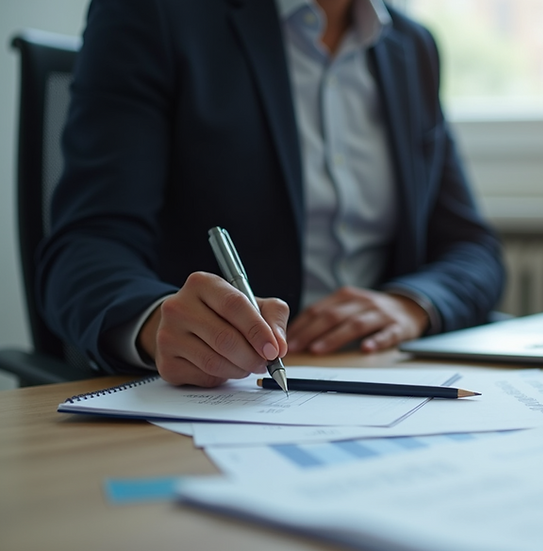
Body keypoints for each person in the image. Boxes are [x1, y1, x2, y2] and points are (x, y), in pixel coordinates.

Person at [36, 0, 505, 387]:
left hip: (383, 382)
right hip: (220, 396)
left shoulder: (412, 48)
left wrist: (412, 302)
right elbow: (84, 246)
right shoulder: (152, 15)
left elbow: (473, 248)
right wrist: (157, 321)